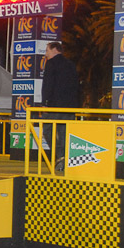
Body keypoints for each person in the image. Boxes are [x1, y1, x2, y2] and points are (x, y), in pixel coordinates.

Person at [41, 42, 80, 171]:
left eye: (47, 51)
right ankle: (65, 160)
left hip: (54, 106)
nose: (46, 54)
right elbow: (77, 86)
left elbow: (48, 84)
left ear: (55, 49)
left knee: (47, 130)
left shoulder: (51, 63)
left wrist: (45, 103)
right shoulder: (71, 64)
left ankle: (61, 156)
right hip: (69, 107)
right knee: (64, 133)